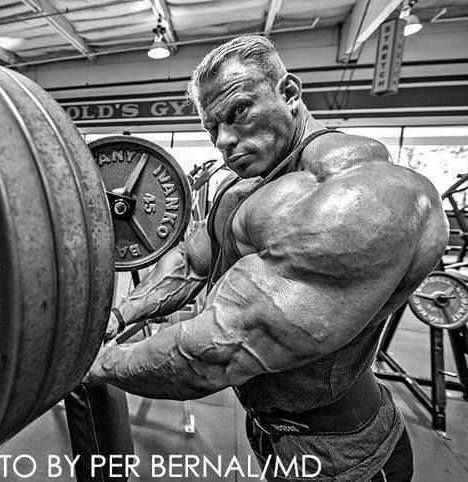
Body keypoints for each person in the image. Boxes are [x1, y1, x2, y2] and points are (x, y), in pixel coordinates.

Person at [85, 35, 449, 481]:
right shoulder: (244, 187)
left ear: (289, 93)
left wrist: (91, 365)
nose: (223, 140)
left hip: (341, 455)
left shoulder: (362, 196)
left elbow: (219, 350)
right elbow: (191, 263)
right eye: (211, 127)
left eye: (238, 112)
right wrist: (120, 317)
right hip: (268, 431)